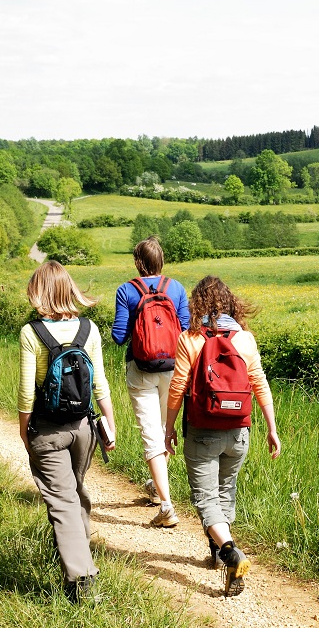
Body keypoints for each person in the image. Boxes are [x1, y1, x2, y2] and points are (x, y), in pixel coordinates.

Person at [164, 276, 281, 597]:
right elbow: (259, 382)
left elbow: (177, 388)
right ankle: (216, 552)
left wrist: (169, 427)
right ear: (231, 303)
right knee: (225, 490)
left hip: (202, 431)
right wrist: (271, 428)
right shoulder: (244, 339)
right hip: (238, 430)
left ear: (196, 304)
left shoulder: (190, 338)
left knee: (205, 499)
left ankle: (229, 552)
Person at [18, 261, 116, 603]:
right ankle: (79, 558)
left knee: (62, 500)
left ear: (39, 293)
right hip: (84, 429)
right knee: (74, 493)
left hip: (47, 430)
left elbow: (26, 390)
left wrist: (22, 429)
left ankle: (81, 577)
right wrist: (110, 422)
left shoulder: (32, 333)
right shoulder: (89, 329)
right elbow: (100, 382)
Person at [112, 237, 190, 528]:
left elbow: (119, 336)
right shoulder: (177, 288)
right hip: (173, 369)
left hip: (140, 368)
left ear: (137, 262)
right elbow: (184, 328)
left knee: (150, 433)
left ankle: (167, 506)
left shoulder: (126, 290)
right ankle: (159, 490)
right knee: (163, 430)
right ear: (162, 261)